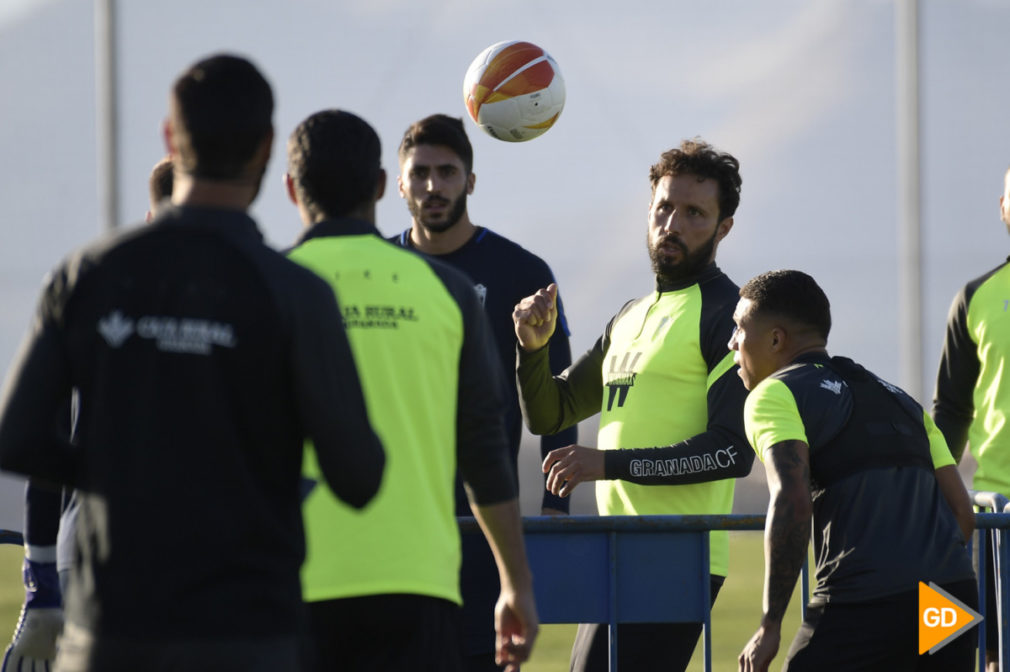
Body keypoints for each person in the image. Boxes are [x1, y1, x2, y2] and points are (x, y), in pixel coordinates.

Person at [0, 54, 385, 672]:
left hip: (109, 636)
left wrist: (119, 472)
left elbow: (16, 439)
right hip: (248, 637)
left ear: (169, 138)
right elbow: (359, 475)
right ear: (265, 148)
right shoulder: (295, 293)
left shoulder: (89, 274)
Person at [282, 108, 537, 672]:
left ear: (291, 189)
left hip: (288, 587)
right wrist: (515, 582)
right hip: (419, 584)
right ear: (381, 185)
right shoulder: (447, 292)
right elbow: (485, 445)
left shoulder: (265, 285)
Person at [513, 138, 753, 672]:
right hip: (617, 552)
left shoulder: (727, 314)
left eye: (694, 212)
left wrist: (605, 465)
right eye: (664, 207)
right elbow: (550, 413)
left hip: (677, 556)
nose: (672, 223)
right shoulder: (630, 315)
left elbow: (730, 452)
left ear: (723, 227)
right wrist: (532, 351)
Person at [390, 113, 574, 670]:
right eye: (419, 173)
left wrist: (556, 504)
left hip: (482, 524)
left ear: (471, 181)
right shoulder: (376, 268)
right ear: (399, 183)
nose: (432, 186)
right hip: (389, 522)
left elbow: (557, 394)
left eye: (447, 172)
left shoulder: (520, 272)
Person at [731, 269, 976, 672]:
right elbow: (961, 515)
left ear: (776, 339)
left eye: (739, 329)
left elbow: (791, 501)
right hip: (950, 596)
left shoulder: (773, 393)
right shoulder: (902, 401)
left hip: (864, 597)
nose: (732, 343)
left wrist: (769, 624)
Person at [1, 154, 177, 672]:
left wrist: (42, 584)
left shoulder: (93, 295)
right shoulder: (95, 298)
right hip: (131, 566)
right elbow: (34, 441)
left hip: (109, 563)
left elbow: (33, 442)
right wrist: (41, 588)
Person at [933, 166, 1010, 671]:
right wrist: (928, 500)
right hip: (997, 520)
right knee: (979, 656)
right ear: (1004, 208)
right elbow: (951, 412)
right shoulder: (976, 297)